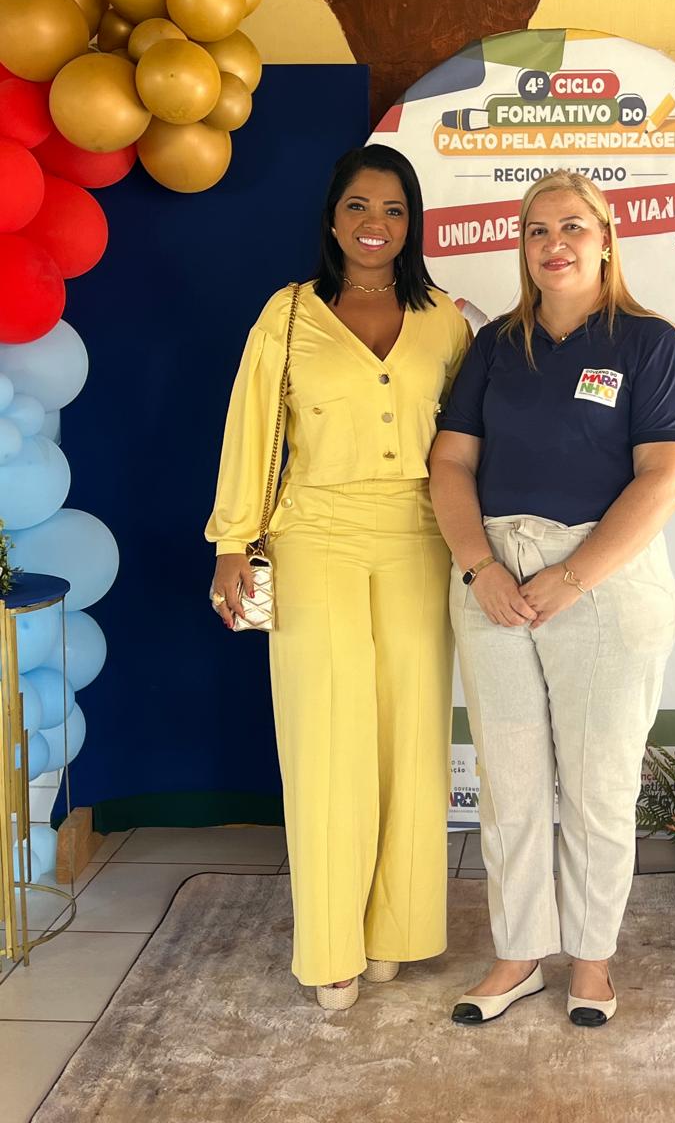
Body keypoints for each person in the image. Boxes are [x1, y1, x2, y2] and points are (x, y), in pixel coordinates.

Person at [429, 171, 675, 1028]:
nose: (555, 244)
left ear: (606, 239)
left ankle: (590, 961)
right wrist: (481, 567)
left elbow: (668, 475)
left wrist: (573, 575)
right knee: (509, 784)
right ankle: (517, 957)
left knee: (598, 785)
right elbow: (450, 464)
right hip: (494, 576)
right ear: (522, 246)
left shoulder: (646, 343)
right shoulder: (495, 346)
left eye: (574, 226)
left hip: (604, 582)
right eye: (538, 229)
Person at [206, 144, 471, 1010]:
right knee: (325, 738)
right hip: (314, 534)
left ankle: (397, 929)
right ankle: (331, 946)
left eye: (393, 209)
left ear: (413, 223)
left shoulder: (445, 321)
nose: (375, 224)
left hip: (420, 539)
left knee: (411, 737)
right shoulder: (288, 315)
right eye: (359, 206)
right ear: (332, 218)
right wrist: (233, 542)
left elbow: (473, 445)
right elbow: (251, 428)